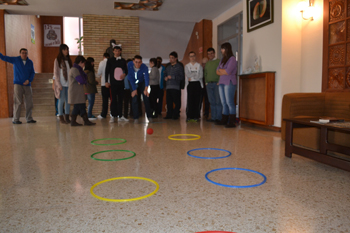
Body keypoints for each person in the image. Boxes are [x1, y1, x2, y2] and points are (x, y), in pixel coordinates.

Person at [0, 48, 36, 124]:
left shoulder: (30, 62)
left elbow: (32, 72)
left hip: (28, 85)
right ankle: (16, 119)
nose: (24, 54)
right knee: (18, 102)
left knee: (29, 102)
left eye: (26, 53)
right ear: (20, 54)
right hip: (18, 84)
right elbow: (3, 58)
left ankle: (29, 118)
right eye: (23, 53)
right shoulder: (15, 60)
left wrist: (29, 80)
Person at [68, 55, 95, 126]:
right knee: (77, 106)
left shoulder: (78, 70)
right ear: (80, 62)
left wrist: (82, 81)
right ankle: (73, 121)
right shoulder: (74, 69)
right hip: (75, 91)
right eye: (83, 63)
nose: (84, 65)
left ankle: (86, 121)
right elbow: (80, 80)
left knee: (82, 106)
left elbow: (82, 80)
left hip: (78, 91)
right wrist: (82, 80)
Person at [105, 46, 128, 123]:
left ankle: (120, 116)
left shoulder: (123, 60)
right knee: (113, 99)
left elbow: (126, 71)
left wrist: (124, 74)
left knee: (121, 99)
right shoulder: (110, 60)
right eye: (115, 51)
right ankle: (113, 115)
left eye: (118, 51)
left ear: (120, 51)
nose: (117, 52)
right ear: (113, 51)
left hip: (121, 83)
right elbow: (107, 71)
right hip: (113, 83)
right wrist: (106, 81)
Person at [216, 42, 237, 128]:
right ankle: (224, 120)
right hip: (221, 82)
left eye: (222, 48)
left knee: (229, 102)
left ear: (227, 49)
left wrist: (222, 71)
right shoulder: (222, 59)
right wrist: (222, 71)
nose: (221, 50)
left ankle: (232, 122)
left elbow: (228, 72)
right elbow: (217, 71)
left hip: (229, 82)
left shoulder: (232, 59)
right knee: (223, 102)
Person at [127, 55, 152, 123]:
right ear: (133, 61)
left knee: (146, 97)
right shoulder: (129, 65)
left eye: (139, 62)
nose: (137, 64)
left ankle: (149, 116)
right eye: (136, 62)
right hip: (132, 81)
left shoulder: (144, 67)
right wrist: (134, 89)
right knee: (134, 98)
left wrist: (146, 88)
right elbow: (130, 77)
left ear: (141, 62)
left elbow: (146, 77)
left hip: (141, 82)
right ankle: (136, 117)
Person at [53, 44, 72, 124]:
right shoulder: (57, 60)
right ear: (61, 50)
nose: (66, 51)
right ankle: (61, 117)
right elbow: (56, 73)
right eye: (64, 50)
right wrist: (58, 84)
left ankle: (67, 117)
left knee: (68, 101)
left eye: (67, 49)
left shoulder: (69, 60)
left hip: (68, 84)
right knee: (61, 101)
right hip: (61, 84)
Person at [163, 51, 185, 120]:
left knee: (177, 102)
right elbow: (165, 75)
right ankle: (169, 114)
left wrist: (172, 77)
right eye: (170, 58)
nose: (171, 59)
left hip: (176, 87)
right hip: (168, 87)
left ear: (176, 58)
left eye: (172, 58)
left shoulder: (179, 66)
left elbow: (181, 77)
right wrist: (165, 78)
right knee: (169, 102)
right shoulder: (168, 66)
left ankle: (175, 115)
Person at [185, 51, 203, 122]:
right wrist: (195, 75)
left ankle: (196, 116)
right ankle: (189, 116)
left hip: (198, 84)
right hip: (190, 84)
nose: (192, 58)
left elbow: (201, 75)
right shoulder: (187, 66)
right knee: (190, 100)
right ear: (189, 57)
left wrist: (193, 76)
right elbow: (188, 74)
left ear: (195, 57)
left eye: (193, 56)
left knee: (197, 100)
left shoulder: (199, 66)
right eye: (190, 56)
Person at [205, 47, 222, 123]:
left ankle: (219, 118)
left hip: (217, 84)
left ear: (214, 53)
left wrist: (219, 81)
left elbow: (221, 72)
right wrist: (206, 82)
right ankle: (213, 117)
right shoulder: (207, 63)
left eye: (211, 53)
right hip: (209, 84)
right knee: (211, 101)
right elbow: (205, 73)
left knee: (218, 101)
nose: (210, 55)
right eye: (208, 54)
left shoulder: (219, 61)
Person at [97, 53, 110, 119]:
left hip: (104, 83)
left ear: (104, 57)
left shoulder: (102, 63)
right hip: (111, 84)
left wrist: (100, 75)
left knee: (105, 100)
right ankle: (113, 114)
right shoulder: (111, 62)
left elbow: (99, 73)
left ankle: (103, 114)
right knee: (113, 100)